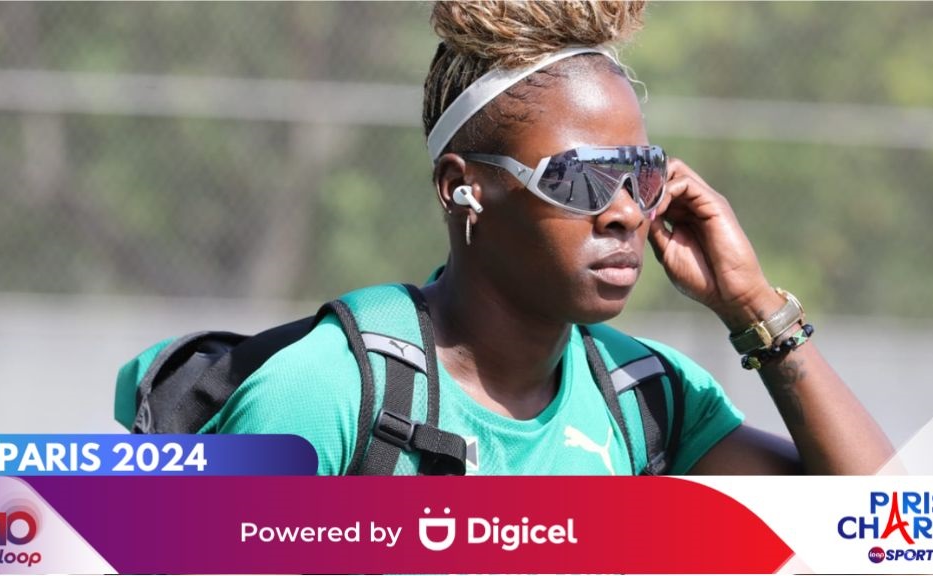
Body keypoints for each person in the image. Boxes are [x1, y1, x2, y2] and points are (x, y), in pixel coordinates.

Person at [116, 0, 893, 475]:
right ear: (464, 188)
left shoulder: (645, 398)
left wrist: (757, 309)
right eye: (580, 176)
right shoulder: (330, 392)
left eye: (641, 172)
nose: (625, 209)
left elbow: (893, 542)